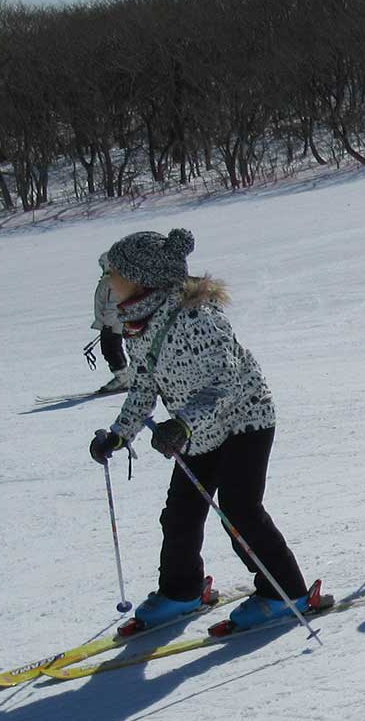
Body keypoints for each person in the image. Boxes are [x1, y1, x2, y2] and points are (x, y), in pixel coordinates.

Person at [86, 228, 315, 633]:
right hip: (195, 433)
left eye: (116, 274)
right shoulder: (139, 323)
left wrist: (182, 424)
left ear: (143, 278)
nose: (109, 282)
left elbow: (225, 383)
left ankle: (285, 591)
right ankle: (182, 590)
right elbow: (143, 387)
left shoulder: (198, 317)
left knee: (239, 510)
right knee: (180, 514)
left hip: (245, 421)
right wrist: (120, 433)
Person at [88, 254, 133, 394]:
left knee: (111, 349)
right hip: (111, 323)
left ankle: (123, 377)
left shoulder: (113, 281)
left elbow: (113, 305)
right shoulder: (110, 280)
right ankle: (124, 376)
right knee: (111, 348)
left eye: (103, 264)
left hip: (113, 324)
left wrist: (107, 325)